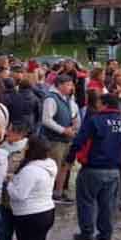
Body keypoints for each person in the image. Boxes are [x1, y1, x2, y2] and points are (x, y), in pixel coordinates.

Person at [67, 94, 121, 240]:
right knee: (108, 205)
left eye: (98, 102)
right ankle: (105, 235)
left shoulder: (95, 121)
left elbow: (79, 141)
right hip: (114, 171)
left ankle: (87, 234)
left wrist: (70, 158)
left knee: (86, 202)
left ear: (104, 104)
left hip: (92, 168)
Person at [7, 136, 56, 240]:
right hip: (46, 211)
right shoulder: (50, 164)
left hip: (29, 215)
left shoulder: (30, 170)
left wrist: (10, 183)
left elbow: (19, 195)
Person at [41, 74, 80, 203]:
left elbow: (74, 115)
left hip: (66, 140)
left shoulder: (68, 99)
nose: (71, 87)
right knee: (53, 167)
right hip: (54, 140)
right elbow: (46, 120)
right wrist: (63, 130)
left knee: (64, 167)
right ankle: (48, 193)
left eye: (71, 84)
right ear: (60, 85)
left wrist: (75, 123)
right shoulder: (51, 98)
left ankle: (58, 192)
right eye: (68, 84)